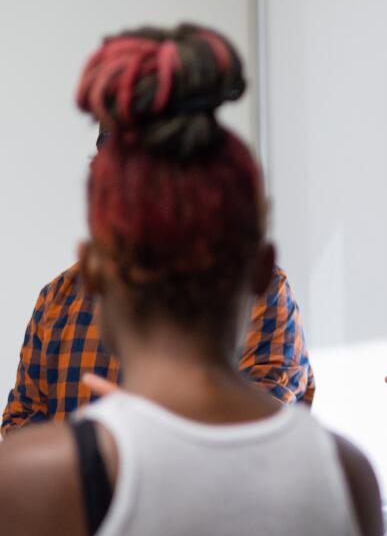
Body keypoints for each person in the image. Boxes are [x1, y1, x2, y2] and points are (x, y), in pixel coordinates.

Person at [0, 23, 382, 536]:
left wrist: (119, 433)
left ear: (94, 267)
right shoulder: (351, 485)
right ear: (259, 266)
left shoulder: (28, 488)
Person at [2, 133, 316, 433]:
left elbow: (258, 428)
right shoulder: (59, 297)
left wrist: (128, 435)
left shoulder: (252, 290)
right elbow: (21, 421)